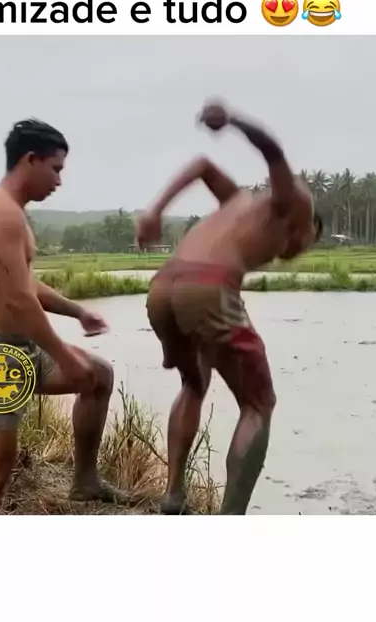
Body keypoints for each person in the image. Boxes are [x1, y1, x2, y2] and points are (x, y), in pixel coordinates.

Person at [136, 101, 323, 515]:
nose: (298, 252)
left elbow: (202, 165)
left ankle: (173, 496)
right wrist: (234, 120)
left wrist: (154, 212)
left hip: (163, 287)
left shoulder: (237, 200)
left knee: (193, 383)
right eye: (309, 243)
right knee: (259, 404)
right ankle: (231, 520)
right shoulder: (296, 203)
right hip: (207, 287)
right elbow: (274, 152)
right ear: (309, 228)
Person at [0, 118, 127, 514]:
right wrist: (63, 356)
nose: (59, 181)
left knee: (98, 375)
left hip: (16, 348)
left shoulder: (13, 214)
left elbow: (26, 285)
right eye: (55, 169)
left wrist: (77, 311)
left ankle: (86, 482)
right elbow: (18, 300)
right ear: (30, 160)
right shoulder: (0, 213)